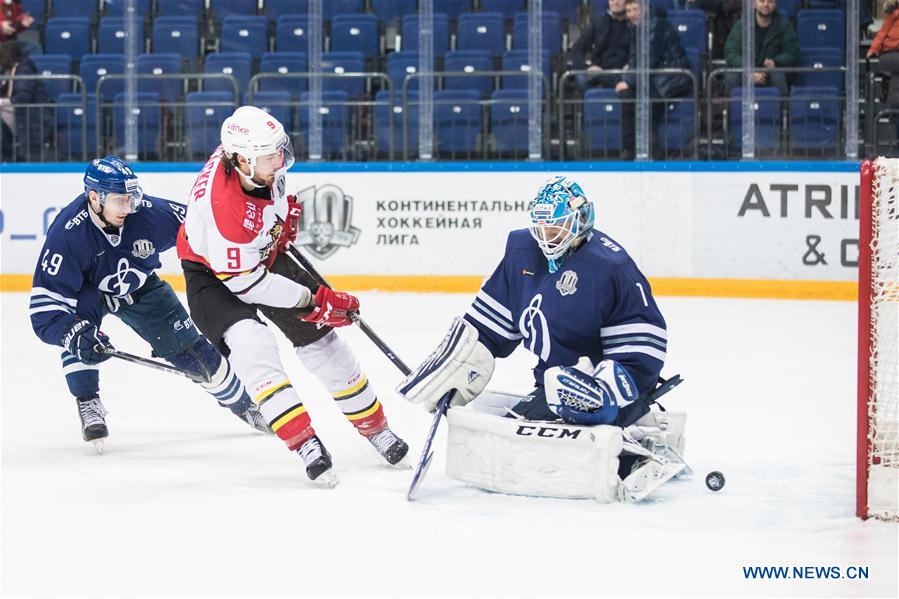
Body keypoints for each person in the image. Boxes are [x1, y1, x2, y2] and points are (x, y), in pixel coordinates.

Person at [176, 106, 408, 486]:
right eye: (270, 156)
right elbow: (248, 284)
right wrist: (314, 301)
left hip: (258, 257)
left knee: (324, 344)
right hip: (214, 277)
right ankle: (305, 444)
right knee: (254, 347)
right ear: (242, 160)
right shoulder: (224, 209)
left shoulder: (255, 163)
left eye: (279, 150)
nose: (280, 160)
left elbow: (271, 199)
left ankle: (377, 429)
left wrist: (280, 223)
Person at [30, 157, 270, 454]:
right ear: (94, 198)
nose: (127, 207)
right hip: (88, 292)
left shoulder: (150, 214)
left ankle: (245, 405)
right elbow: (45, 310)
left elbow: (204, 228)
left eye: (130, 198)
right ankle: (88, 400)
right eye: (119, 200)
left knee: (194, 353)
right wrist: (72, 334)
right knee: (78, 331)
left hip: (141, 288)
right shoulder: (67, 235)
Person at [398, 175, 667, 429]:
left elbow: (642, 348)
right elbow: (488, 328)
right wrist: (459, 367)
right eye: (543, 228)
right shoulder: (523, 252)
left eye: (556, 228)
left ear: (582, 219)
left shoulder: (611, 267)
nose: (547, 237)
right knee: (507, 436)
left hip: (605, 394)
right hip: (552, 388)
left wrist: (607, 393)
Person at [614, 0, 692, 158]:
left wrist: (628, 81)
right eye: (628, 11)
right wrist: (628, 76)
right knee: (626, 95)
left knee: (645, 108)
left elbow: (648, 59)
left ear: (644, 8)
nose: (631, 14)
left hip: (671, 78)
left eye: (635, 9)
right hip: (654, 77)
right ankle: (629, 151)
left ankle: (654, 157)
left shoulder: (654, 25)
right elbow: (635, 61)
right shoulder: (638, 27)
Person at [724, 0, 800, 96]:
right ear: (754, 3)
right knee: (732, 76)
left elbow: (792, 52)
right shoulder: (741, 26)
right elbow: (731, 54)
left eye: (770, 1)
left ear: (775, 4)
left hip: (770, 71)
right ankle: (730, 105)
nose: (766, 4)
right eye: (762, 1)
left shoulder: (784, 25)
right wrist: (748, 69)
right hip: (746, 72)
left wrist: (776, 62)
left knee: (778, 75)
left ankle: (783, 105)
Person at [0, 40, 51, 161]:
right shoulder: (8, 71)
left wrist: (1, 102)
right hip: (16, 113)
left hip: (31, 115)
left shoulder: (24, 69)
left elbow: (22, 97)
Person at [567, 0, 631, 91]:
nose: (615, 2)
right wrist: (586, 68)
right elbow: (577, 48)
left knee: (631, 78)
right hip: (599, 71)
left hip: (625, 72)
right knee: (581, 79)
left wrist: (631, 65)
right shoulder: (598, 23)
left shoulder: (634, 24)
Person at [868, 0, 899, 109]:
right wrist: (873, 49)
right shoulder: (893, 14)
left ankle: (886, 83)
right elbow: (882, 32)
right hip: (890, 52)